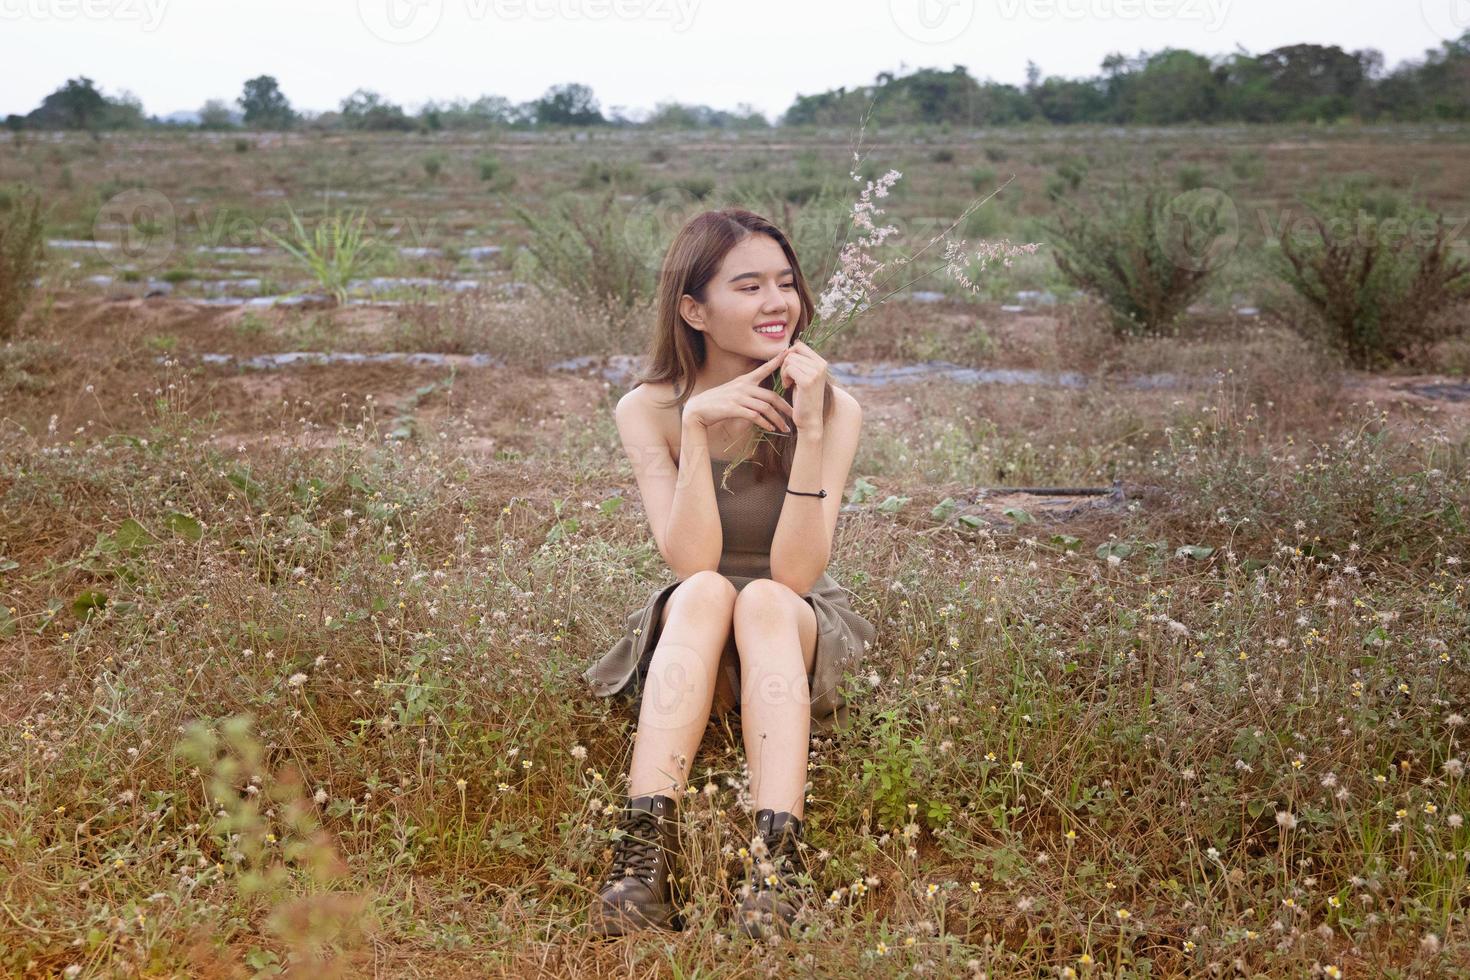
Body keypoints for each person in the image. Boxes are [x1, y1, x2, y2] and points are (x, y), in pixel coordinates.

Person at [581, 207, 876, 941]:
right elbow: (690, 563)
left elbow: (797, 571)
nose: (777, 303)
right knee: (709, 589)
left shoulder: (836, 411)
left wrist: (806, 428)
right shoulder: (645, 409)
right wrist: (695, 428)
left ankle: (777, 871)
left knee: (767, 602)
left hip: (792, 624)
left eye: (786, 283)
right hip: (697, 629)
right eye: (748, 286)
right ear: (694, 309)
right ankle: (640, 866)